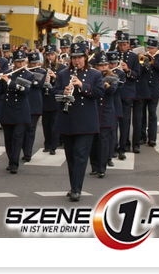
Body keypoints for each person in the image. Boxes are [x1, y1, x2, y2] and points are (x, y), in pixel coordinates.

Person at [54, 42, 104, 202]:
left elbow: (99, 93)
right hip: (68, 120)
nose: (76, 61)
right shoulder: (63, 74)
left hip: (86, 122)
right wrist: (64, 91)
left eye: (80, 57)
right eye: (74, 58)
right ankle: (73, 185)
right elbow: (54, 94)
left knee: (80, 155)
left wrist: (82, 85)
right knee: (71, 157)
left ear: (85, 57)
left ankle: (77, 189)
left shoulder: (95, 74)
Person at [0, 49, 32, 173]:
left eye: (22, 61)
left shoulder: (29, 75)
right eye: (18, 62)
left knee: (18, 137)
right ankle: (11, 159)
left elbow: (25, 91)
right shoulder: (8, 73)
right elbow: (0, 91)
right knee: (8, 139)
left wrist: (9, 82)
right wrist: (1, 80)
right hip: (7, 110)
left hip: (21, 111)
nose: (21, 64)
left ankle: (14, 163)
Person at [89, 52, 118, 178]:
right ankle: (94, 166)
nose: (104, 67)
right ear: (96, 66)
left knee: (104, 141)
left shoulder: (113, 77)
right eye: (101, 65)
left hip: (106, 113)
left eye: (105, 65)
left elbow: (113, 90)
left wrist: (106, 85)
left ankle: (102, 168)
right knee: (93, 142)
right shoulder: (92, 76)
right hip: (94, 112)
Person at [116, 32, 140, 160]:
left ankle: (123, 146)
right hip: (115, 92)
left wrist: (127, 70)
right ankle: (113, 146)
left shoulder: (133, 57)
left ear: (128, 45)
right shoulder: (112, 55)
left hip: (127, 92)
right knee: (113, 122)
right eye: (120, 44)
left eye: (124, 44)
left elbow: (137, 75)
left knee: (125, 122)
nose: (122, 47)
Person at [142, 38, 159, 147]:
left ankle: (152, 138)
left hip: (154, 90)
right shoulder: (143, 57)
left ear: (156, 48)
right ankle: (141, 136)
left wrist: (153, 61)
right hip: (143, 89)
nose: (150, 49)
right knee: (141, 115)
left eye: (152, 48)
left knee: (152, 114)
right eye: (149, 47)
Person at [22, 52, 46, 161]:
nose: (34, 65)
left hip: (35, 104)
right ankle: (24, 148)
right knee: (22, 129)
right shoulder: (24, 71)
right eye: (32, 63)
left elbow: (38, 84)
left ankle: (28, 153)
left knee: (31, 129)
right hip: (24, 103)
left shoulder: (42, 72)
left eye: (36, 62)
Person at [42, 44, 65, 154]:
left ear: (56, 55)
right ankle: (47, 144)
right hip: (45, 99)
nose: (50, 57)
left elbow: (63, 84)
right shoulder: (42, 68)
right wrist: (44, 79)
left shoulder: (62, 68)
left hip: (56, 99)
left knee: (54, 124)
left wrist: (55, 77)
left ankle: (53, 146)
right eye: (48, 55)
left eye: (52, 54)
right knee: (46, 124)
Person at [105, 51, 125, 167]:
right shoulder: (101, 73)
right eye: (110, 63)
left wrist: (111, 78)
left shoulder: (119, 73)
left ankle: (112, 151)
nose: (113, 65)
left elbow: (119, 87)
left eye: (114, 63)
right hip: (103, 104)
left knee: (113, 130)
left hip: (115, 103)